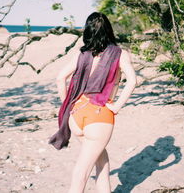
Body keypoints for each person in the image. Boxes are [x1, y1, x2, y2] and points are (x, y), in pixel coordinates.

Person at [49, 12, 137, 193]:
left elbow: (60, 79)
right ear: (108, 30)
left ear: (88, 32)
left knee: (101, 159)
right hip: (99, 117)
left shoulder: (81, 54)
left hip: (77, 114)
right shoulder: (120, 54)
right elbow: (133, 81)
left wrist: (68, 105)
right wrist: (117, 106)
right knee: (80, 173)